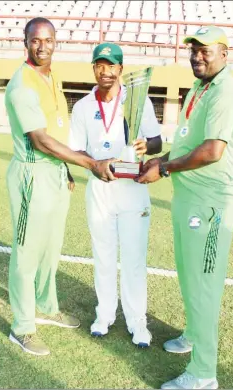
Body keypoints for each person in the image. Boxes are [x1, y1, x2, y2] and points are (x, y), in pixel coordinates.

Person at [137, 26, 233, 389]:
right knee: (188, 274)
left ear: (225, 54)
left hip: (212, 202)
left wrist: (165, 167)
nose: (197, 56)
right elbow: (188, 145)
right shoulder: (200, 88)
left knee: (204, 285)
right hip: (189, 197)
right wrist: (160, 163)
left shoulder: (226, 92)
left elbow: (212, 151)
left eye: (206, 50)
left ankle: (204, 374)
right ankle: (193, 335)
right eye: (194, 50)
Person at [5, 18, 116, 357]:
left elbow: (55, 128)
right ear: (25, 42)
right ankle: (22, 327)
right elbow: (40, 140)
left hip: (54, 173)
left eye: (49, 39)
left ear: (56, 42)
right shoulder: (21, 85)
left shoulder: (51, 75)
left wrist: (66, 167)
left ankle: (46, 304)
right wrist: (89, 163)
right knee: (26, 252)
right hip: (32, 175)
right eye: (36, 40)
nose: (43, 46)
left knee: (51, 248)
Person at [69, 42, 162, 347]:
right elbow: (76, 149)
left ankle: (138, 323)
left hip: (133, 188)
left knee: (134, 259)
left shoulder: (138, 99)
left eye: (111, 66)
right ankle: (104, 314)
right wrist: (94, 164)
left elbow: (157, 141)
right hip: (100, 188)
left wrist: (145, 147)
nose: (105, 72)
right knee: (103, 255)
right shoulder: (83, 107)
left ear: (121, 69)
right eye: (99, 65)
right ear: (94, 68)